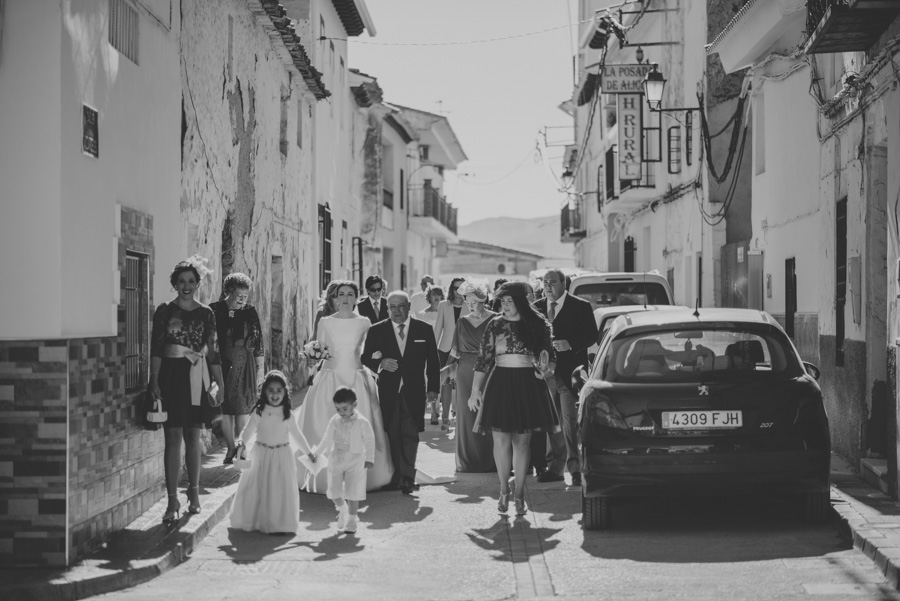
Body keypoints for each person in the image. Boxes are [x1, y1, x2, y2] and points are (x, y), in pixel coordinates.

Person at [468, 281, 559, 517]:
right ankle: (503, 490)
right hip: (500, 383)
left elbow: (550, 357)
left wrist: (546, 371)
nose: (505, 305)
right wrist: (475, 391)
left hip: (529, 383)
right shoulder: (495, 324)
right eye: (502, 301)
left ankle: (519, 494)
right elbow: (483, 359)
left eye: (510, 301)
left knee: (522, 442)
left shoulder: (538, 323)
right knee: (500, 441)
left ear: (520, 302)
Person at [296, 280, 394, 492]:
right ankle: (323, 475)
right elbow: (320, 349)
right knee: (322, 425)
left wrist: (378, 358)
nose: (346, 298)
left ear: (356, 298)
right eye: (342, 294)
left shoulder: (364, 322)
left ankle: (361, 475)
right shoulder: (325, 322)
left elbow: (370, 350)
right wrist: (312, 358)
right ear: (335, 298)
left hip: (356, 379)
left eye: (350, 294)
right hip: (329, 379)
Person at [150, 258, 224, 525]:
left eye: (191, 281)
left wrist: (219, 383)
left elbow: (212, 351)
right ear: (175, 283)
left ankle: (194, 494)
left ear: (197, 284)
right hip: (170, 376)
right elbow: (157, 348)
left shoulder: (206, 313)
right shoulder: (164, 311)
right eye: (181, 281)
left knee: (193, 436)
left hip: (197, 375)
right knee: (172, 437)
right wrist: (154, 379)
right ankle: (172, 501)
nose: (186, 285)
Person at [362, 291, 441, 495]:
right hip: (388, 390)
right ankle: (397, 475)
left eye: (401, 306)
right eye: (392, 307)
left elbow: (433, 361)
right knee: (393, 432)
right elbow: (365, 357)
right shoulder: (376, 330)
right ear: (387, 309)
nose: (397, 311)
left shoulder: (424, 329)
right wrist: (381, 363)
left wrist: (433, 388)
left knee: (410, 433)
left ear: (409, 307)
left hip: (414, 389)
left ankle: (408, 477)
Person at [533, 268, 598, 487]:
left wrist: (571, 344)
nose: (547, 286)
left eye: (552, 282)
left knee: (570, 422)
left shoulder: (581, 306)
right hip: (546, 374)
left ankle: (576, 470)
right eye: (545, 282)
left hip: (571, 373)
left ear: (564, 284)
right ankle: (555, 468)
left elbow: (592, 335)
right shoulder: (537, 308)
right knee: (552, 422)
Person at [229, 370, 314, 534]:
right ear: (264, 391)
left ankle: (280, 524)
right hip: (261, 454)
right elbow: (248, 430)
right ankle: (258, 520)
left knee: (279, 490)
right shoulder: (259, 411)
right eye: (271, 390)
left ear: (285, 392)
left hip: (282, 456)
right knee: (258, 488)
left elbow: (297, 435)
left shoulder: (287, 413)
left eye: (279, 390)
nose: (275, 395)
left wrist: (309, 452)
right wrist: (241, 441)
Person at [210, 273, 265, 465]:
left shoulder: (250, 312)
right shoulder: (215, 310)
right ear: (229, 292)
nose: (243, 300)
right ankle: (230, 448)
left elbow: (258, 341)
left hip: (244, 364)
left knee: (242, 410)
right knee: (225, 409)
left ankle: (242, 449)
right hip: (222, 365)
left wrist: (260, 369)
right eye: (239, 295)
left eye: (245, 296)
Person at [441, 279, 495, 472]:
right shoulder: (462, 322)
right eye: (467, 301)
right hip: (465, 372)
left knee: (489, 413)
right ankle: (468, 461)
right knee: (467, 416)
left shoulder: (496, 320)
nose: (470, 305)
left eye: (474, 301)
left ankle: (492, 460)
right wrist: (446, 370)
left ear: (483, 300)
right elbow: (455, 351)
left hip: (490, 371)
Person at [310, 386, 375, 534]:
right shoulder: (335, 420)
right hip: (337, 457)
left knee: (353, 491)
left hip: (356, 459)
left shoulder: (362, 422)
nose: (341, 412)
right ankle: (343, 509)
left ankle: (352, 521)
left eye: (345, 408)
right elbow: (326, 439)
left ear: (354, 405)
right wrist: (317, 453)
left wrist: (370, 458)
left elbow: (369, 440)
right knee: (333, 491)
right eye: (338, 409)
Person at [433, 277, 469, 427]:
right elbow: (438, 328)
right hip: (445, 349)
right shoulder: (443, 305)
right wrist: (431, 350)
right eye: (456, 288)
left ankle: (460, 416)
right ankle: (445, 417)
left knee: (461, 383)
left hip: (465, 350)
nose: (458, 291)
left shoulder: (470, 305)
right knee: (446, 382)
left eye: (462, 288)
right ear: (451, 289)